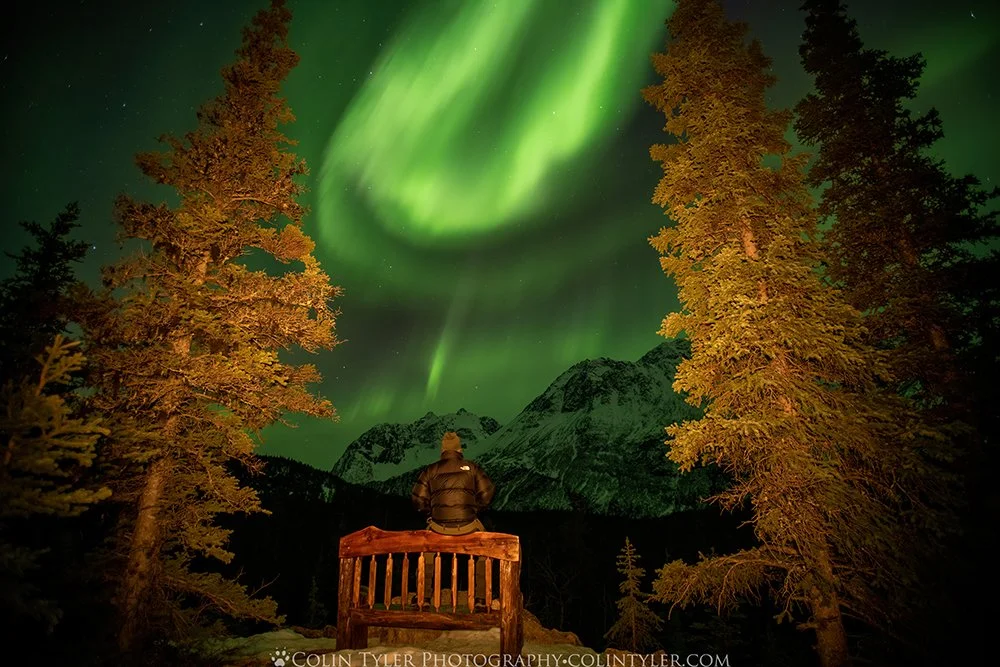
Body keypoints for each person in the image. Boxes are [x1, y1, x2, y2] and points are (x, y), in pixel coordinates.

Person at [411, 431, 495, 606]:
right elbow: (488, 492)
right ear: (459, 449)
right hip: (469, 525)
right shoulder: (472, 468)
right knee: (486, 551)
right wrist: (475, 508)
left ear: (442, 450)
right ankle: (480, 598)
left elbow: (417, 499)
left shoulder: (430, 470)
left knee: (426, 553)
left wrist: (430, 512)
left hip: (438, 527)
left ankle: (424, 597)